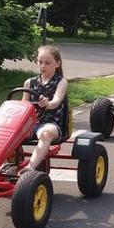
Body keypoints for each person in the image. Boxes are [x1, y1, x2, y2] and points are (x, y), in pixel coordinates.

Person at [21, 44, 69, 174]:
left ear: (57, 63)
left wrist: (48, 103)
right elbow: (23, 107)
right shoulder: (29, 82)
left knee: (45, 133)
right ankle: (3, 166)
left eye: (47, 63)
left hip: (52, 124)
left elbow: (56, 101)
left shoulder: (61, 82)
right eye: (40, 62)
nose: (42, 66)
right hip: (32, 124)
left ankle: (29, 168)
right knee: (10, 132)